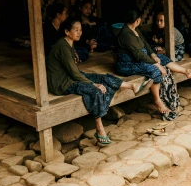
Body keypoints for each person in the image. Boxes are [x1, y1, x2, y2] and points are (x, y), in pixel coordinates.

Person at [46, 18, 137, 146]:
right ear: (67, 31)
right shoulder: (62, 46)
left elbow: (74, 71)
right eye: (76, 30)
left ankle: (129, 85)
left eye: (80, 30)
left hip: (70, 76)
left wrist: (93, 80)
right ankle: (99, 129)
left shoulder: (69, 43)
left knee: (101, 78)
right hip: (62, 83)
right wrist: (92, 84)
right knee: (95, 90)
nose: (79, 32)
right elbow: (73, 72)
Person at [115, 8, 191, 121]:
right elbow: (139, 55)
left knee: (163, 58)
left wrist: (153, 55)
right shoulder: (126, 34)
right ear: (137, 20)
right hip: (127, 63)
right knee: (155, 71)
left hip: (138, 59)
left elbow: (145, 44)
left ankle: (186, 71)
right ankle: (157, 101)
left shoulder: (134, 29)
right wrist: (156, 64)